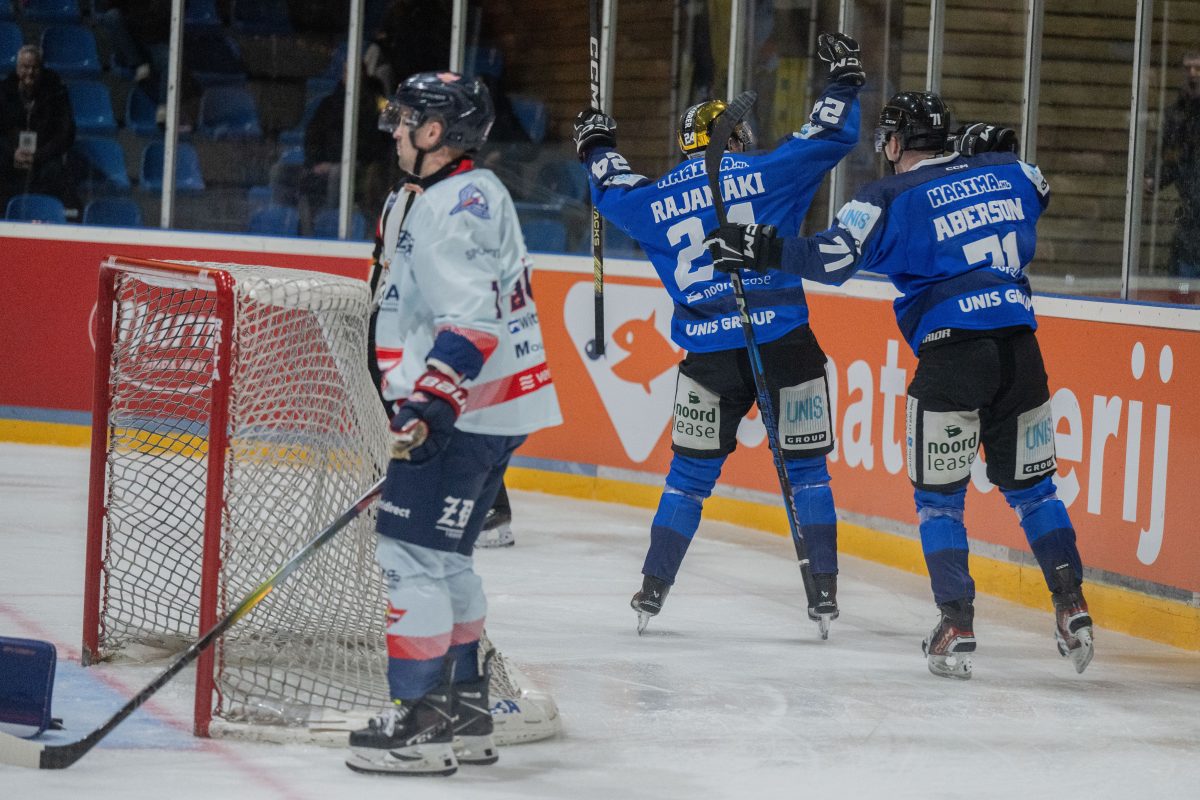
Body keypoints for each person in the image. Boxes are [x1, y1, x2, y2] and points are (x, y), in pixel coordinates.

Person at [705, 92, 1096, 679]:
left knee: (940, 502)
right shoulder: (1008, 171)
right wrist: (987, 156)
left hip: (951, 355)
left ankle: (956, 622)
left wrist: (759, 247)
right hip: (1021, 351)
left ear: (893, 143)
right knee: (1036, 492)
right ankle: (1073, 609)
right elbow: (1039, 189)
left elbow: (832, 259)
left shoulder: (886, 196)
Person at [572, 33, 866, 636]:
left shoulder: (654, 202)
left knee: (688, 477)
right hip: (784, 341)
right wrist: (844, 83)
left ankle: (653, 586)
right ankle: (825, 592)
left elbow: (611, 186)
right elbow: (829, 135)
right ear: (734, 138)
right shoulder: (768, 172)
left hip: (707, 355)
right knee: (808, 471)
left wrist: (596, 143)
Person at [347, 71, 561, 776]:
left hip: (460, 412)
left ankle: (420, 722)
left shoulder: (450, 207)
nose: (396, 129)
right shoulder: (462, 192)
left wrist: (428, 406)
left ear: (435, 133)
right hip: (494, 408)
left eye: (407, 119)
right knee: (446, 559)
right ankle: (466, 712)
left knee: (408, 559)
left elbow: (471, 321)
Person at [0, 45, 77, 213]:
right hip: (11, 154)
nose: (30, 72)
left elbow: (66, 132)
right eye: (25, 67)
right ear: (17, 69)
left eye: (35, 67)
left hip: (44, 156)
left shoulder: (56, 92)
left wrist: (39, 155)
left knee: (57, 171)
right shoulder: (4, 92)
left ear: (41, 69)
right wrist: (12, 152)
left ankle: (51, 218)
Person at [1147, 50, 1200, 277]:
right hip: (1189, 222)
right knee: (1182, 291)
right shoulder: (1176, 115)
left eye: (1198, 68)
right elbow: (1166, 156)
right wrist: (1152, 178)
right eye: (1188, 68)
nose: (1193, 74)